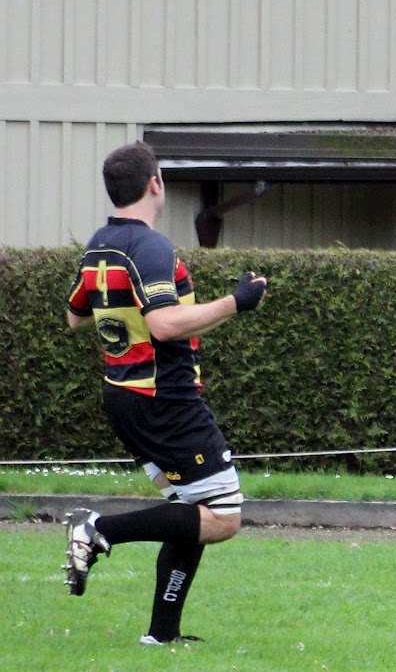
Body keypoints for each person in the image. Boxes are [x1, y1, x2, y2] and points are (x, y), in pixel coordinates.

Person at [62, 142, 268, 645]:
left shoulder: (99, 244)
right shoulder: (150, 246)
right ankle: (98, 527)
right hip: (163, 400)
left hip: (124, 396)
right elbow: (164, 324)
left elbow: (74, 315)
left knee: (190, 507)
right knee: (222, 516)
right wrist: (236, 302)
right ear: (156, 183)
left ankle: (162, 633)